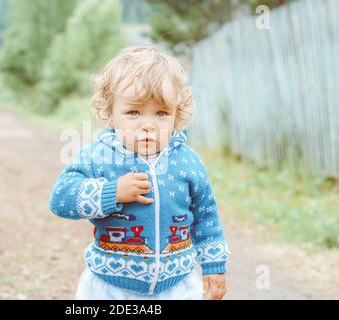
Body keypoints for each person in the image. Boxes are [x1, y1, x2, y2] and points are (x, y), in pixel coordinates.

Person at [49, 45, 231, 300]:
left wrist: (214, 267)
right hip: (110, 287)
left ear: (176, 115)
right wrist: (112, 192)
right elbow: (60, 199)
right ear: (110, 112)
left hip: (178, 285)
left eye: (161, 113)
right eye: (134, 112)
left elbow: (206, 216)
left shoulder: (187, 161)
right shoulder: (98, 157)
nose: (148, 125)